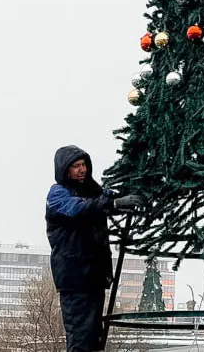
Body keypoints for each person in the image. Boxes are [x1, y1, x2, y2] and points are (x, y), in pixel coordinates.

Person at [46, 146, 142, 352]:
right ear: (65, 170)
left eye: (84, 165)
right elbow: (81, 208)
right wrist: (114, 203)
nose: (82, 170)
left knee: (93, 335)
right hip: (75, 277)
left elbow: (104, 198)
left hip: (93, 275)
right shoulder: (58, 195)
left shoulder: (93, 191)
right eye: (76, 166)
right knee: (80, 335)